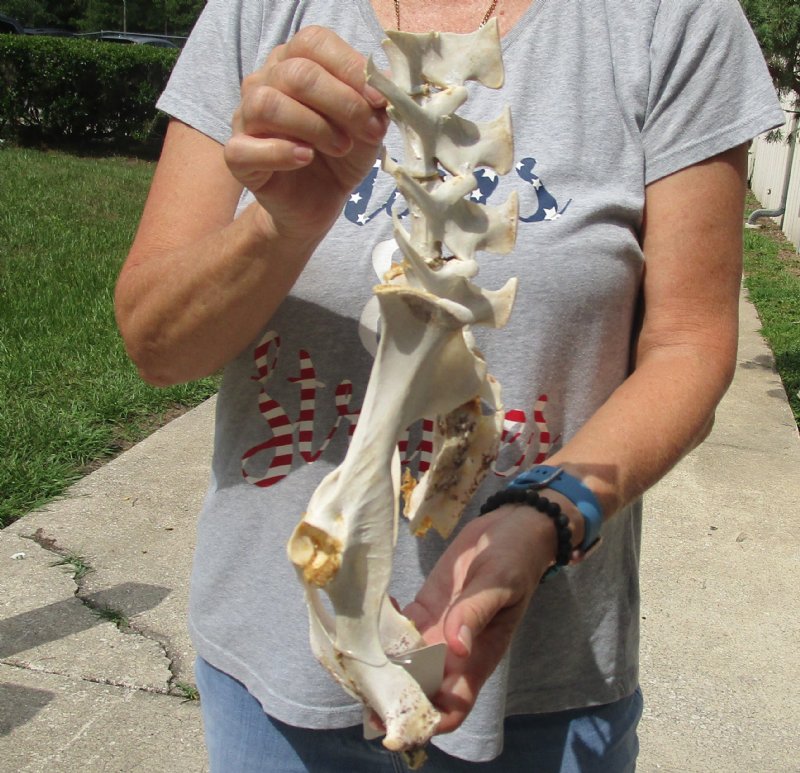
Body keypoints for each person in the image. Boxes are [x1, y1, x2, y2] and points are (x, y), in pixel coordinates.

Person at [114, 0, 783, 770]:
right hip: (272, 689)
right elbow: (157, 345)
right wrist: (279, 226)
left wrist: (545, 513)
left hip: (538, 687)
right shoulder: (257, 11)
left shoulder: (671, 19)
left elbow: (688, 342)